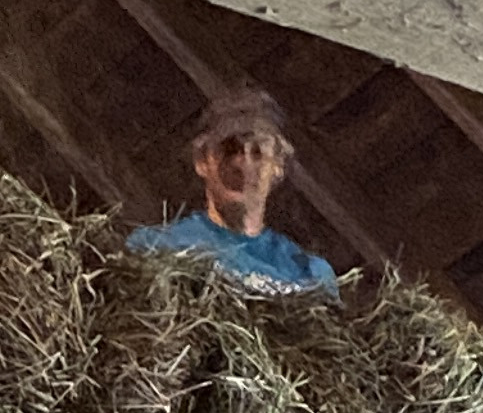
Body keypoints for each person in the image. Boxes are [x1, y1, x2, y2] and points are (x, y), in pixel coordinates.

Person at [126, 83, 340, 295]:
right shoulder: (156, 248)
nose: (243, 164)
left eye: (257, 152)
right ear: (201, 161)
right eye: (229, 149)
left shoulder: (311, 276)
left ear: (278, 166)